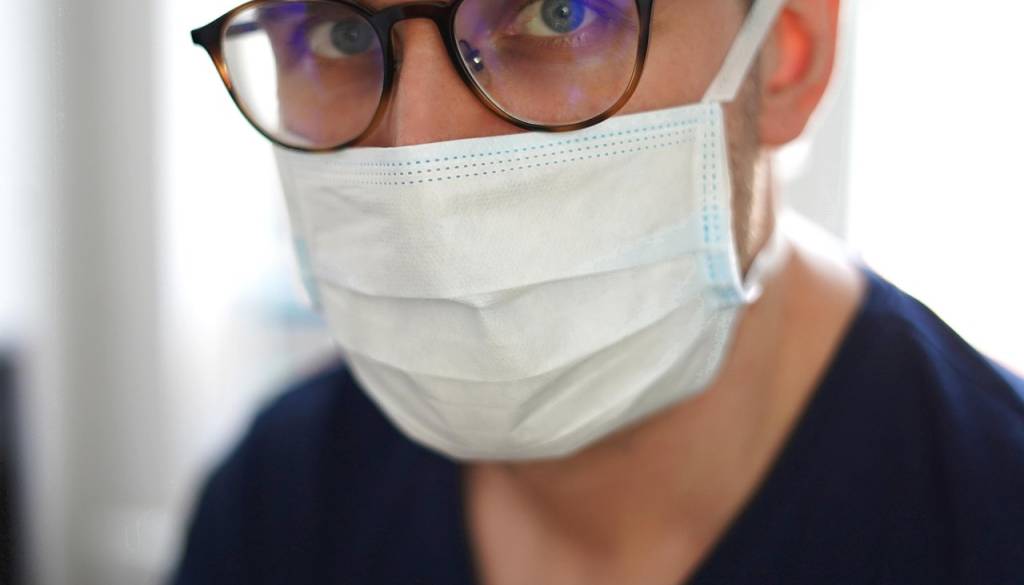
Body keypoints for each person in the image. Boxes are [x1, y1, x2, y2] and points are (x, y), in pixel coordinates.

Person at [173, 0, 1024, 583]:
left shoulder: (992, 517)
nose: (420, 148)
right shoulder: (278, 502)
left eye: (559, 14)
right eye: (335, 35)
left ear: (786, 58)